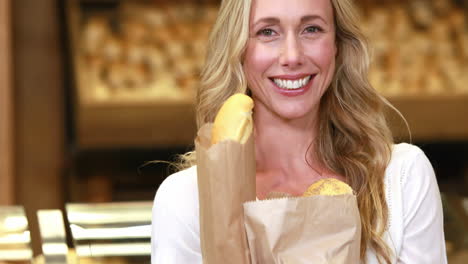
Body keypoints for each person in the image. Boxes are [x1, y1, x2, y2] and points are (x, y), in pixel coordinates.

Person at [151, 0, 447, 263]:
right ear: (239, 49)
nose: (292, 56)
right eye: (268, 32)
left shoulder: (400, 178)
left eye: (312, 29)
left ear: (338, 45)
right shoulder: (188, 199)